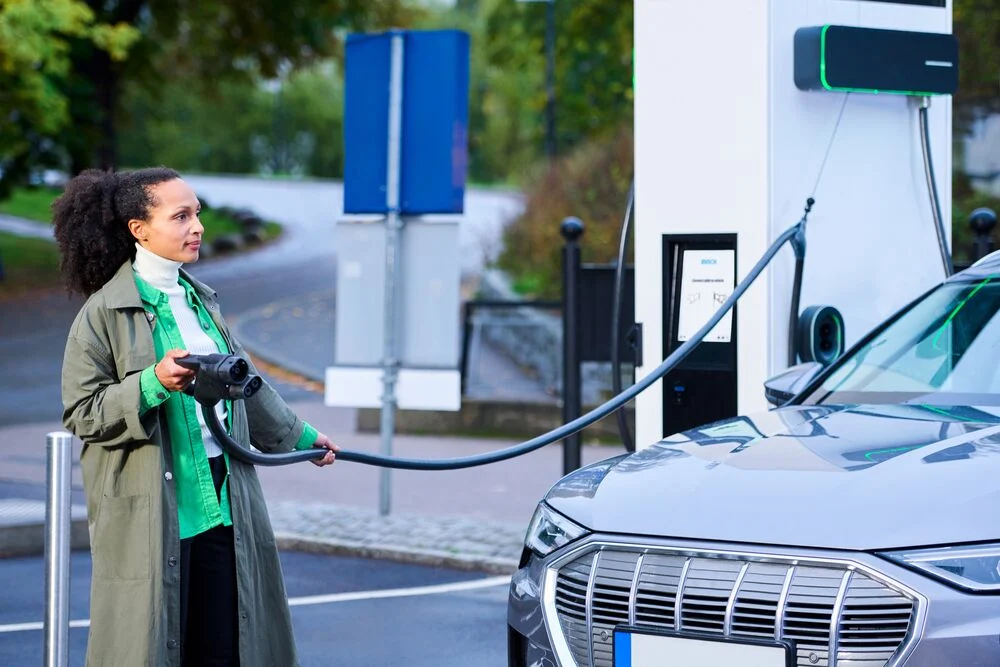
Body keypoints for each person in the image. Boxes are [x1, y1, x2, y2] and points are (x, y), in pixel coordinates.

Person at [55, 167, 338, 666]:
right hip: (153, 507)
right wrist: (151, 383)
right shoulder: (102, 315)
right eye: (181, 216)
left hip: (225, 502)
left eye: (198, 214)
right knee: (156, 647)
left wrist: (305, 439)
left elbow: (247, 384)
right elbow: (82, 413)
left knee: (227, 647)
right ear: (138, 229)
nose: (198, 227)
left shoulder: (200, 301)